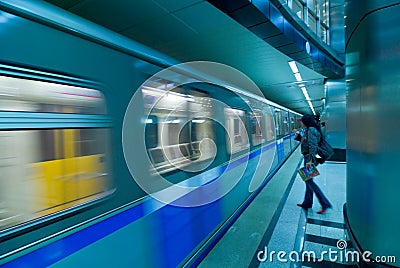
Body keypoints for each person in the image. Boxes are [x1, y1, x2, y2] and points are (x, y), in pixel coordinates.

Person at [296, 114, 332, 214]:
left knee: (309, 181)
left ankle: (325, 203)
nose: (301, 122)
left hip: (309, 158)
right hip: (308, 157)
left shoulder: (311, 130)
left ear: (306, 122)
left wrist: (310, 161)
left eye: (302, 121)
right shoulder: (310, 129)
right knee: (308, 181)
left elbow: (312, 145)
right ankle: (307, 202)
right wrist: (298, 136)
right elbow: (307, 142)